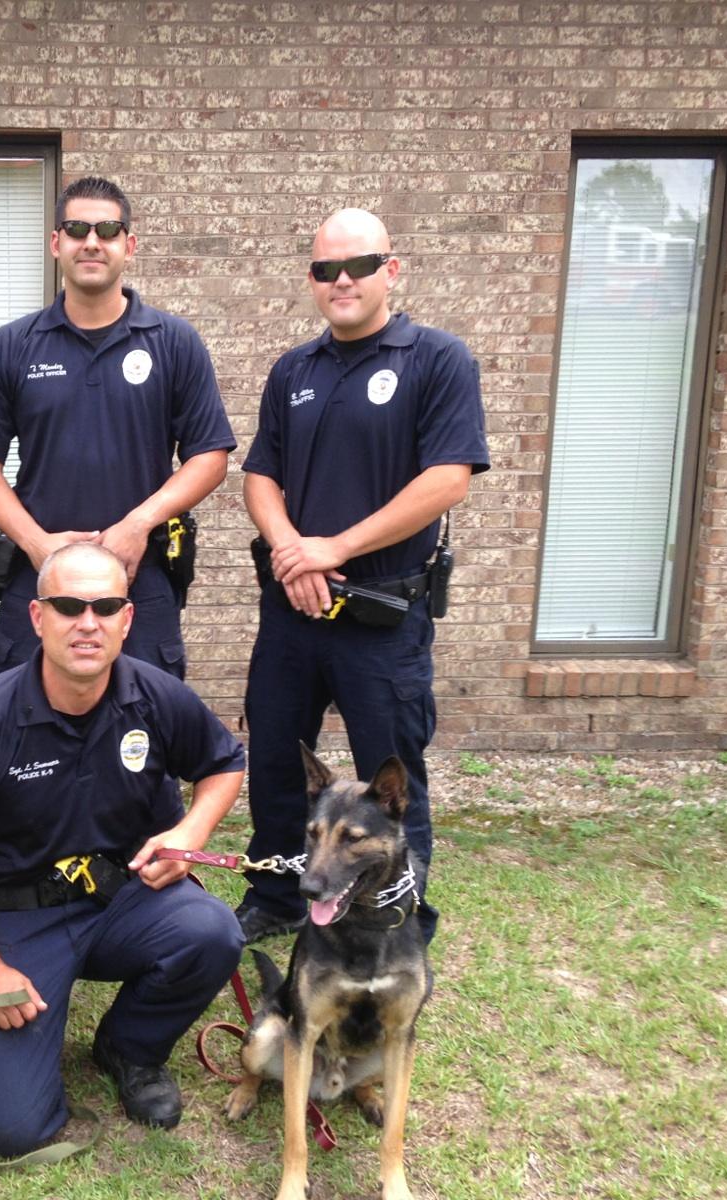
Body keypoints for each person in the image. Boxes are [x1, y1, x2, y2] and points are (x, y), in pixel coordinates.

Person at [0, 542, 245, 1157]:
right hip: (12, 919)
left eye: (105, 606)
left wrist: (188, 837)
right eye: (68, 606)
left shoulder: (156, 697)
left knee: (213, 932)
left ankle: (130, 1048)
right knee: (9, 1131)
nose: (87, 623)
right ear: (38, 618)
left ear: (127, 620)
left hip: (117, 898)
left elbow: (223, 765)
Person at [234, 208, 490, 947]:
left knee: (391, 778)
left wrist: (332, 549)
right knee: (279, 761)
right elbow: (260, 477)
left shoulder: (438, 360)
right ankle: (280, 897)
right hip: (292, 613)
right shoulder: (294, 371)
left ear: (392, 271)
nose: (341, 281)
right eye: (325, 270)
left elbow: (447, 481)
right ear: (312, 280)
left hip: (382, 620)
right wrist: (292, 552)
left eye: (359, 266)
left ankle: (396, 920)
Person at [0, 176, 235, 679]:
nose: (92, 242)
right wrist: (38, 544)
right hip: (40, 578)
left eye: (107, 229)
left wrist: (138, 525)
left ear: (129, 244)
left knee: (146, 733)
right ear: (56, 242)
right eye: (77, 228)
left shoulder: (174, 342)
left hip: (139, 579)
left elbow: (209, 458)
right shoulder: (14, 345)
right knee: (26, 732)